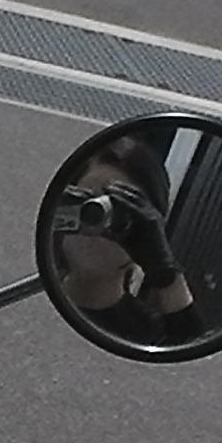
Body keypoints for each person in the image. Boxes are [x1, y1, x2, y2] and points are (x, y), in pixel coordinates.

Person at [54, 135, 207, 345]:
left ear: (150, 233)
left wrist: (165, 272)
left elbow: (195, 350)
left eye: (119, 211)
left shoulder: (151, 336)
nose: (96, 222)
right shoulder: (30, 290)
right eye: (86, 203)